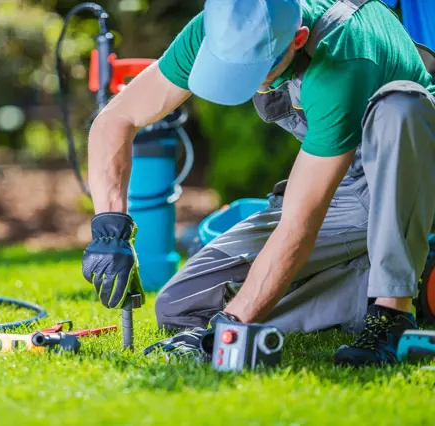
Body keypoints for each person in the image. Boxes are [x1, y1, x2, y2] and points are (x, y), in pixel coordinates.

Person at [81, 0, 435, 366]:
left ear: (297, 39)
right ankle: (409, 274)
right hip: (340, 180)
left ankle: (392, 310)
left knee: (400, 107)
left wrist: (231, 326)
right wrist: (110, 229)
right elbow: (117, 118)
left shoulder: (342, 56)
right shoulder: (225, 22)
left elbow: (299, 226)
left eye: (255, 71)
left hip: (410, 176)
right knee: (181, 305)